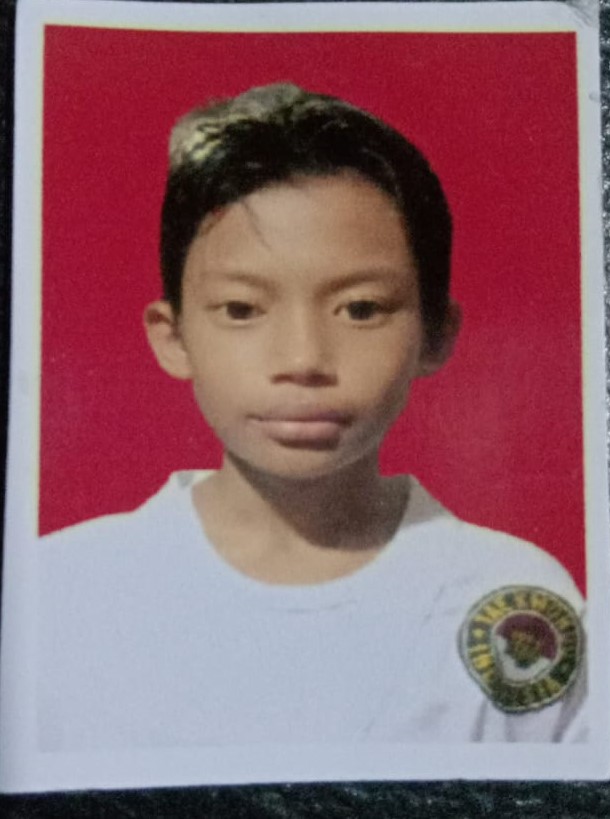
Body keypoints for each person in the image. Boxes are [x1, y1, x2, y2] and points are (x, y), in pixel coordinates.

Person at [38, 83, 585, 752]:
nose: (302, 359)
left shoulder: (516, 597)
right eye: (242, 309)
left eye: (361, 309)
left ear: (436, 333)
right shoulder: (55, 596)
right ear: (173, 335)